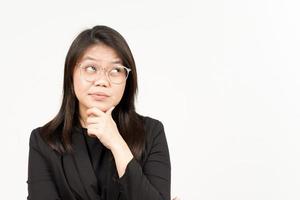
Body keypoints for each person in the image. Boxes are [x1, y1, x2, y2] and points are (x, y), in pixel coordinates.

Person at [27, 25, 171, 200]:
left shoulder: (151, 132)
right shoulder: (44, 140)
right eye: (91, 68)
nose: (102, 81)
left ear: (127, 80)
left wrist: (117, 143)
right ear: (70, 74)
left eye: (116, 70)